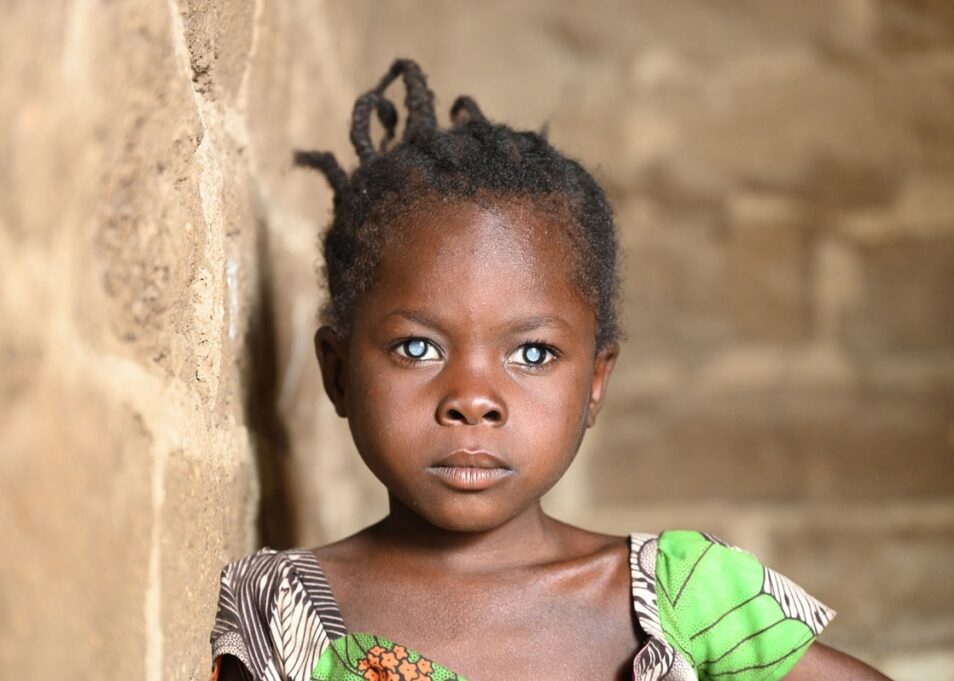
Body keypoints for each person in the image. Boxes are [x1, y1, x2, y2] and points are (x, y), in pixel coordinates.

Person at [209, 59, 891, 681]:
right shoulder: (280, 616)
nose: (473, 399)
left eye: (532, 354)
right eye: (418, 348)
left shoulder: (686, 598)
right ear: (336, 372)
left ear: (596, 382)